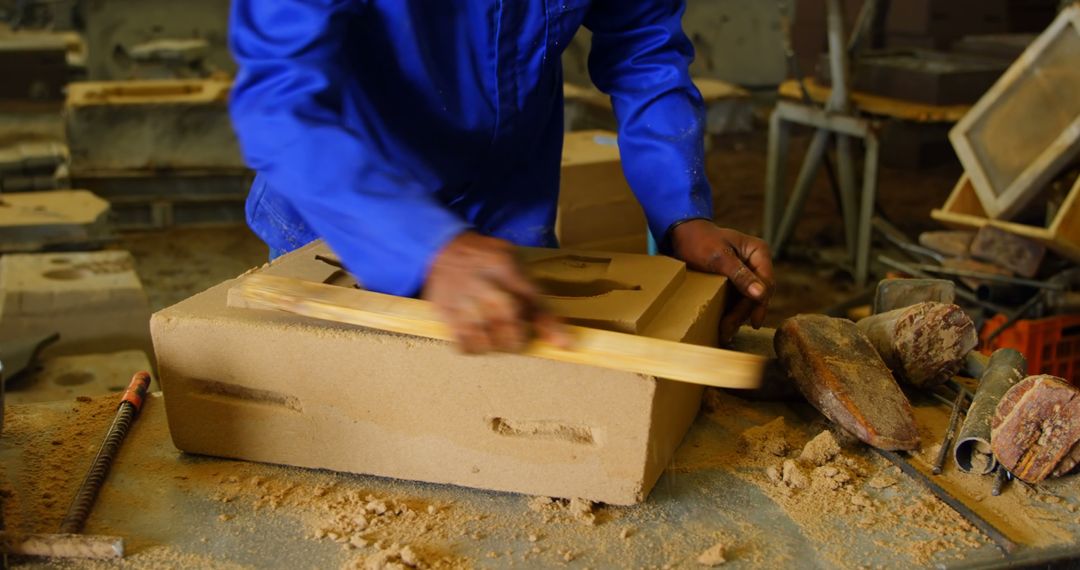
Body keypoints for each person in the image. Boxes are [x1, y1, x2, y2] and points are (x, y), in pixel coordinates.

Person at [228, 1, 774, 354]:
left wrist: (683, 213)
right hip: (349, 219)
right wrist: (423, 248)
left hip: (507, 211)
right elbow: (279, 101)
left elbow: (643, 49)